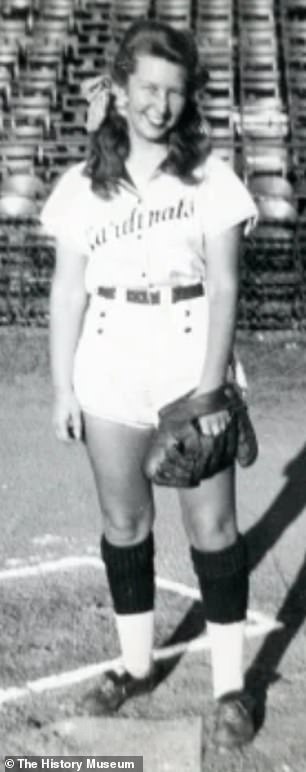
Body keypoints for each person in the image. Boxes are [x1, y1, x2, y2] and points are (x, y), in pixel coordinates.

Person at [40, 19, 258, 751]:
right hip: (109, 360)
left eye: (174, 91)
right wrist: (63, 388)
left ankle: (230, 688)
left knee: (212, 528)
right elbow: (68, 294)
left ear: (187, 98)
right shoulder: (81, 185)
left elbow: (226, 285)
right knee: (125, 524)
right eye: (148, 89)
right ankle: (133, 667)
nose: (160, 105)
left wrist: (208, 393)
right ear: (121, 90)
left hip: (188, 352)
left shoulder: (210, 177)